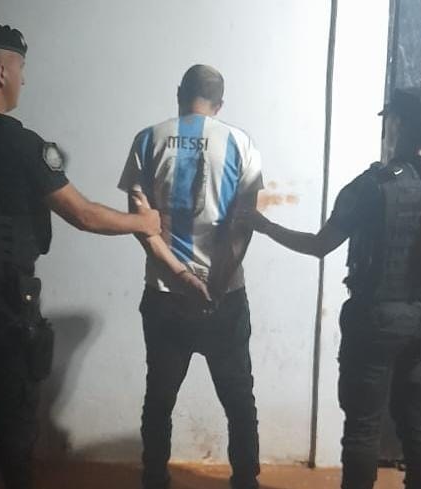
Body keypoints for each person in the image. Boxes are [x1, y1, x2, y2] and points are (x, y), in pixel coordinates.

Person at [0, 22, 160, 489]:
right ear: (1, 72)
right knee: (16, 421)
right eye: (21, 68)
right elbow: (83, 214)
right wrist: (143, 223)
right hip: (8, 302)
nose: (24, 79)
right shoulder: (23, 145)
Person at [247, 87, 421, 489]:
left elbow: (319, 245)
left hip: (377, 319)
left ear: (397, 124)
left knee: (363, 428)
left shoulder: (372, 186)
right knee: (419, 425)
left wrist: (265, 226)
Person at [118, 64, 264, 489]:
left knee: (159, 399)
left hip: (166, 293)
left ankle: (154, 479)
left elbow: (141, 225)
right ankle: (245, 481)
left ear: (179, 92)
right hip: (225, 295)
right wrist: (214, 283)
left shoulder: (148, 139)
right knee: (239, 401)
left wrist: (183, 277)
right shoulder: (241, 143)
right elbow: (244, 226)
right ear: (220, 103)